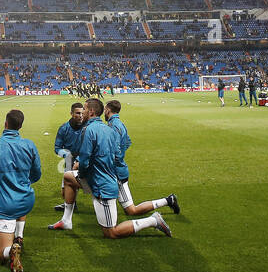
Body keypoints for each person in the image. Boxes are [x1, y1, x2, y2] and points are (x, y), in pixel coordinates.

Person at [49, 98, 171, 239]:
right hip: (101, 178)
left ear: (91, 111)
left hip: (102, 186)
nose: (83, 112)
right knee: (68, 177)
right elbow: (118, 153)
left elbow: (85, 160)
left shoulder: (88, 130)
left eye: (85, 108)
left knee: (111, 232)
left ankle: (153, 220)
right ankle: (66, 221)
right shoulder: (109, 129)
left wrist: (82, 172)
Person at [0, 108, 41, 272]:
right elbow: (37, 174)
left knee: (2, 254)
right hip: (27, 200)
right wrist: (24, 184)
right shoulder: (29, 145)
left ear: (5, 124)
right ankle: (19, 236)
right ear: (20, 126)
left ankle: (11, 250)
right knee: (19, 203)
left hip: (5, 204)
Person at [104, 99, 179, 218]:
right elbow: (127, 142)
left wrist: (112, 161)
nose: (104, 111)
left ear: (108, 110)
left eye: (104, 109)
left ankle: (168, 201)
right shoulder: (119, 123)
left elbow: (117, 152)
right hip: (118, 169)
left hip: (117, 172)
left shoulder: (113, 126)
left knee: (131, 210)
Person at [52, 101, 86, 212]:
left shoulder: (87, 128)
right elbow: (57, 148)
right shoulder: (64, 129)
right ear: (71, 113)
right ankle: (71, 205)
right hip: (69, 160)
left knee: (88, 185)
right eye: (77, 113)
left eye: (82, 113)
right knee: (65, 193)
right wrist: (68, 155)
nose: (80, 116)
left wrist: (79, 159)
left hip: (84, 160)